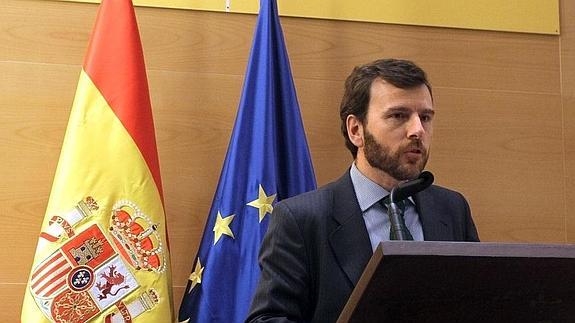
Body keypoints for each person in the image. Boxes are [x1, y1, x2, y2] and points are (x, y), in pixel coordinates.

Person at [246, 58, 479, 323]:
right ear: (356, 130)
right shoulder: (301, 219)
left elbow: (479, 305)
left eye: (425, 117)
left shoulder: (452, 209)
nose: (418, 130)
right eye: (399, 116)